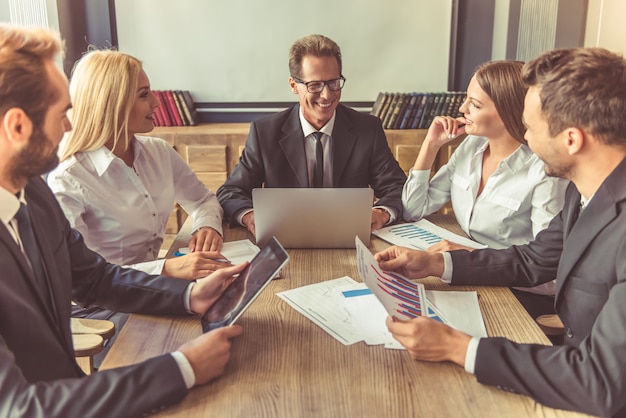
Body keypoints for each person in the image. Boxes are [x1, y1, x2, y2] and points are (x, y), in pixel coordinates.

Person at [0, 24, 244, 417]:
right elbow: (21, 407)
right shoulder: (60, 183)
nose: (69, 126)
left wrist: (187, 296)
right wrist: (181, 368)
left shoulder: (34, 196)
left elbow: (96, 279)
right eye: (62, 113)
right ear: (17, 125)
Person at [375, 47, 626, 417]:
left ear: (572, 140)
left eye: (530, 128)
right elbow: (534, 259)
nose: (524, 138)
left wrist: (460, 348)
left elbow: (598, 380)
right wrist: (436, 264)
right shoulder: (583, 190)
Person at [402, 60, 568, 318]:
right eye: (467, 100)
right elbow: (413, 209)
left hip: (517, 292)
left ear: (508, 111)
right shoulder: (471, 146)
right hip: (469, 272)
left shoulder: (544, 172)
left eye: (475, 105)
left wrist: (470, 256)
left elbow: (548, 275)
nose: (462, 108)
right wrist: (430, 146)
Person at [47, 50, 230, 281]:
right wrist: (165, 269)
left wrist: (206, 226)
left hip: (151, 286)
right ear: (111, 103)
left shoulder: (159, 151)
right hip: (102, 305)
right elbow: (79, 279)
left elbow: (203, 200)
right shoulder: (68, 179)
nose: (156, 103)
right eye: (144, 95)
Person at [216, 34, 407, 237]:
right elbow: (230, 192)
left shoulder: (367, 129)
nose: (326, 95)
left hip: (349, 239)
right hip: (286, 240)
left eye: (333, 82)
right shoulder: (265, 132)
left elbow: (398, 188)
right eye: (314, 85)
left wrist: (381, 213)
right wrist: (250, 216)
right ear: (293, 86)